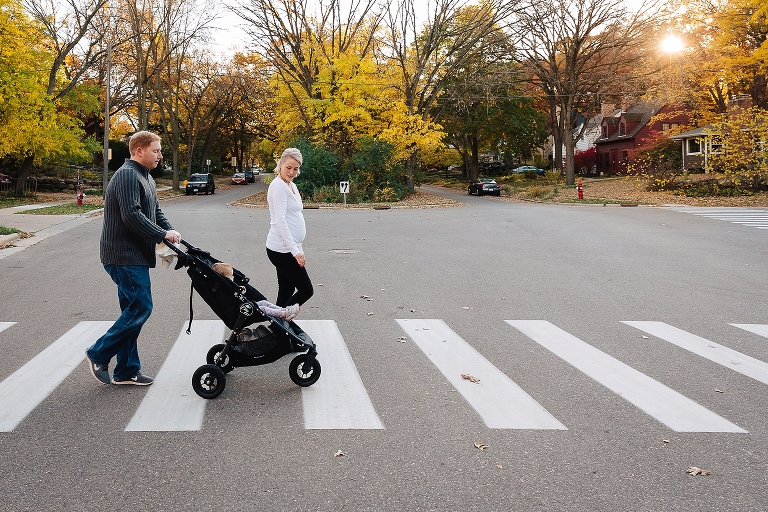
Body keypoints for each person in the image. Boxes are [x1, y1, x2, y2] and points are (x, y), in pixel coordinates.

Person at [85, 131, 182, 386]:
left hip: (133, 255)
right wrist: (162, 234)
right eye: (156, 150)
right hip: (123, 255)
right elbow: (132, 216)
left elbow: (155, 211)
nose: (160, 155)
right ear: (139, 151)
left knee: (130, 311)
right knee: (141, 306)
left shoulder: (145, 177)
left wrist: (171, 233)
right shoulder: (128, 174)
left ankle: (126, 370)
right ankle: (98, 353)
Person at [265, 148, 313, 313]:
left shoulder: (291, 185)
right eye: (289, 167)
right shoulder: (278, 186)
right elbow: (280, 221)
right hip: (282, 249)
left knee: (286, 290)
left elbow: (294, 217)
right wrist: (295, 251)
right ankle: (279, 317)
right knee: (306, 290)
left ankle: (277, 331)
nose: (292, 172)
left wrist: (298, 247)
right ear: (281, 164)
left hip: (289, 247)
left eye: (296, 168)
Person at [211, 262, 299, 320]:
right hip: (243, 311)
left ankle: (284, 310)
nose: (233, 278)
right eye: (231, 277)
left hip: (246, 306)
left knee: (264, 302)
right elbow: (233, 300)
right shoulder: (225, 290)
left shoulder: (228, 287)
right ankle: (283, 314)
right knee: (263, 309)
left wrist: (241, 291)